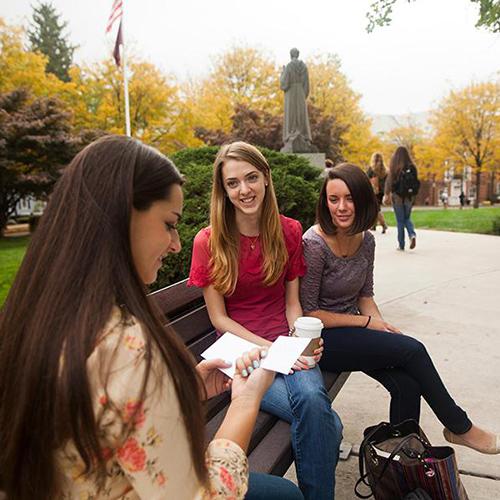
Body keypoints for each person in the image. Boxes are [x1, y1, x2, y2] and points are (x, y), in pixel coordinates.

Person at [0, 135, 304, 500]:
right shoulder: (127, 348)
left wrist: (183, 388)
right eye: (169, 223)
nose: (176, 243)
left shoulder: (36, 315)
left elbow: (106, 410)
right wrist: (245, 401)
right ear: (122, 218)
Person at [300, 163, 500, 457]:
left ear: (364, 199)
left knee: (407, 384)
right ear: (325, 202)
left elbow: (365, 295)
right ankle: (459, 426)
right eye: (333, 199)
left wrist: (382, 327)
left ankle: (403, 461)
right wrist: (369, 324)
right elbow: (309, 313)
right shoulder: (314, 244)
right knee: (413, 349)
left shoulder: (366, 240)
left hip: (353, 331)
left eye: (350, 198)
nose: (341, 207)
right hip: (320, 341)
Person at [188, 141, 343, 500]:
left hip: (284, 343)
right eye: (233, 183)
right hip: (240, 354)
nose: (244, 190)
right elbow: (219, 319)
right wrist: (269, 348)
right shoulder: (208, 241)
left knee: (311, 399)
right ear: (223, 191)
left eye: (251, 177)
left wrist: (297, 342)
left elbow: (292, 305)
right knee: (323, 419)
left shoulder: (288, 231)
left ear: (266, 179)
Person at [383, 146, 419, 251]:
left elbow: (389, 181)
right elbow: (416, 182)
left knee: (400, 221)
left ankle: (401, 245)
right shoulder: (412, 167)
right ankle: (412, 234)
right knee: (407, 218)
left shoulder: (394, 166)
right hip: (409, 197)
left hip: (397, 197)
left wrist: (386, 194)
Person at [366, 152, 388, 233]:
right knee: (376, 208)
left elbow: (366, 179)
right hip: (381, 192)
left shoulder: (371, 169)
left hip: (373, 191)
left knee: (376, 209)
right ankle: (374, 225)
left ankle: (383, 224)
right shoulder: (385, 170)